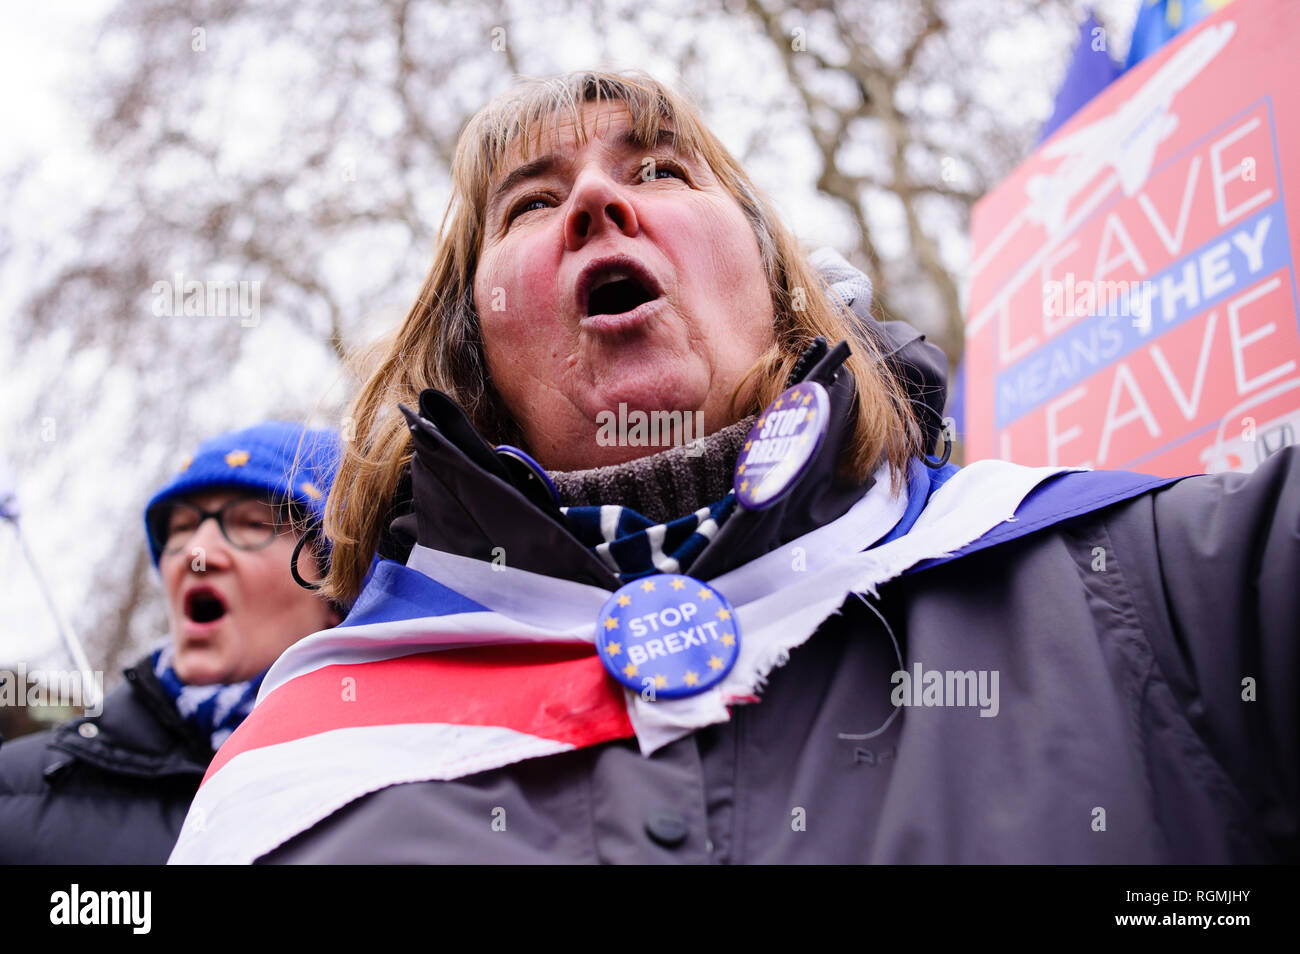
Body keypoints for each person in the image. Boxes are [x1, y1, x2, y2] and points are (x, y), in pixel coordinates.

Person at [171, 71, 1297, 865]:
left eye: (659, 169)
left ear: (777, 280)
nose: (597, 203)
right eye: (529, 201)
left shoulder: (1160, 584)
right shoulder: (301, 771)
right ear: (471, 347)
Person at [0, 421, 341, 863]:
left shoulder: (405, 787)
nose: (198, 553)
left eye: (253, 523)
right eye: (181, 528)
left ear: (338, 587)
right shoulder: (15, 797)